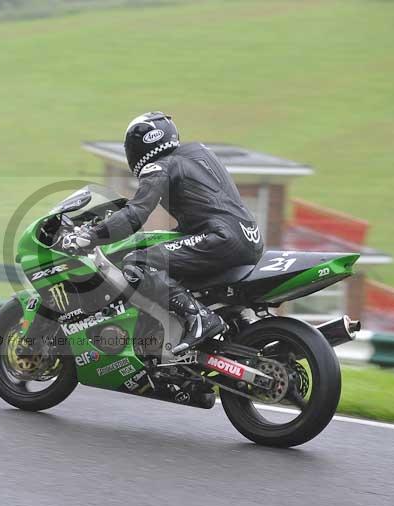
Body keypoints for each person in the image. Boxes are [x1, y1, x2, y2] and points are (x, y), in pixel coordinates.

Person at [61, 112, 264, 353]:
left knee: (138, 262)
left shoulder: (159, 167)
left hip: (221, 238)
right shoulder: (198, 152)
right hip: (249, 238)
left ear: (137, 148)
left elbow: (135, 214)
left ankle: (199, 318)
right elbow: (209, 206)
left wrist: (91, 236)